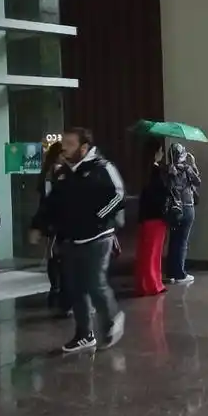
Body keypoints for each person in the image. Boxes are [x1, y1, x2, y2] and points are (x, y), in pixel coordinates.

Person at [31, 128, 127, 354]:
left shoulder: (102, 168)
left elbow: (118, 196)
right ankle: (84, 334)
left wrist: (98, 218)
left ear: (84, 148)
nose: (64, 147)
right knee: (75, 288)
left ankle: (112, 318)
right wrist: (38, 225)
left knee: (94, 283)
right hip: (71, 239)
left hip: (98, 237)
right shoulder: (64, 173)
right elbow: (51, 203)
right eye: (64, 143)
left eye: (70, 144)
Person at [134, 141, 169, 296]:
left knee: (145, 252)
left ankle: (144, 283)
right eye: (161, 150)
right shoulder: (156, 172)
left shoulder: (143, 171)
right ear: (156, 152)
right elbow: (160, 195)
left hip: (145, 217)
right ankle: (153, 283)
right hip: (156, 217)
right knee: (154, 253)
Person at [39, 141, 70, 316]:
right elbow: (49, 197)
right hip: (56, 220)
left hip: (52, 219)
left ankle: (56, 288)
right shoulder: (55, 172)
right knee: (56, 254)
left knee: (54, 254)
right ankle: (57, 289)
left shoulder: (51, 171)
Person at [163, 142, 201, 285]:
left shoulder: (168, 170)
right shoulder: (187, 168)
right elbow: (198, 182)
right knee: (183, 241)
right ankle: (180, 273)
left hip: (174, 209)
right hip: (187, 207)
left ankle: (171, 272)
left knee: (174, 240)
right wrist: (194, 164)